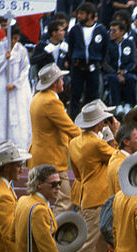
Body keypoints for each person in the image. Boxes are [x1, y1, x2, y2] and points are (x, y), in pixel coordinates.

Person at [56, 102, 117, 252]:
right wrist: (115, 134)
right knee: (82, 248)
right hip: (99, 199)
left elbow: (79, 174)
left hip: (86, 196)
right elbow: (119, 159)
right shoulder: (97, 144)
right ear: (100, 123)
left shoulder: (75, 142)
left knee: (104, 248)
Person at [29, 63, 81, 216]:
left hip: (37, 157)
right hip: (52, 161)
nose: (63, 82)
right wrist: (92, 137)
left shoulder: (37, 98)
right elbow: (71, 128)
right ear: (55, 83)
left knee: (36, 200)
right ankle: (53, 237)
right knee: (64, 202)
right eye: (61, 79)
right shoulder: (51, 102)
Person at [0, 24, 32, 161]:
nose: (13, 42)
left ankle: (18, 148)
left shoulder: (21, 50)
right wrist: (4, 58)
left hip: (16, 88)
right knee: (0, 116)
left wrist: (15, 84)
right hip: (2, 85)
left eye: (16, 39)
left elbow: (25, 69)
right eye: (11, 38)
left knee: (17, 117)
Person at [67, 2, 109, 117]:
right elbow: (70, 49)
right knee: (75, 95)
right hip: (78, 67)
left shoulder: (101, 30)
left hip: (93, 67)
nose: (79, 16)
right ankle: (74, 121)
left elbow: (105, 50)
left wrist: (99, 62)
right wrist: (74, 61)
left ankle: (91, 121)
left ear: (90, 15)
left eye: (82, 13)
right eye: (78, 13)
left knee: (92, 96)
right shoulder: (74, 30)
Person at [105, 20, 137, 115]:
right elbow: (105, 63)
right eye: (110, 30)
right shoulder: (108, 44)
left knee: (131, 79)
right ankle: (117, 105)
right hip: (112, 72)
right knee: (114, 79)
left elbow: (133, 61)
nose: (111, 33)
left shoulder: (129, 43)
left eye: (114, 31)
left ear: (122, 32)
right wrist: (116, 73)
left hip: (126, 71)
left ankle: (128, 104)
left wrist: (125, 71)